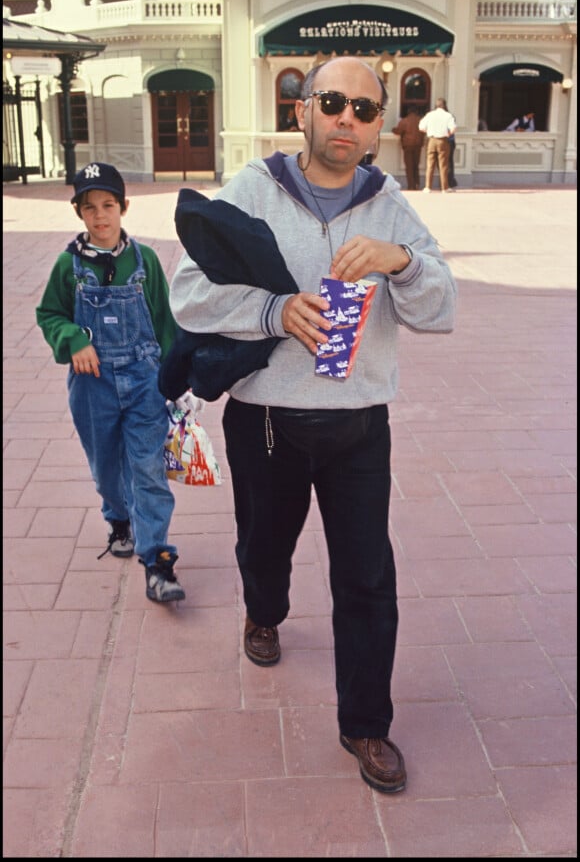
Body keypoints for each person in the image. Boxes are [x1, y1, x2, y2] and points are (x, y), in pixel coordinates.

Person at [169, 56, 457, 794]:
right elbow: (188, 294)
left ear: (380, 125)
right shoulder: (255, 190)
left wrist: (403, 263)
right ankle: (263, 613)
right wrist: (273, 311)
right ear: (303, 109)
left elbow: (440, 312)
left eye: (365, 110)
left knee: (366, 577)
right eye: (333, 102)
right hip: (267, 421)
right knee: (265, 546)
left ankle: (366, 722)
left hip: (358, 424)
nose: (347, 120)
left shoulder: (389, 202)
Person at [36, 162, 186, 604]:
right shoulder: (69, 266)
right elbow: (50, 314)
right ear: (79, 213)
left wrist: (179, 381)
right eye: (90, 207)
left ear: (123, 207)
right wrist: (72, 340)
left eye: (108, 205)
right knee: (106, 469)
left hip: (144, 380)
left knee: (147, 468)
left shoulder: (146, 261)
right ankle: (118, 516)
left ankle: (158, 561)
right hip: (92, 383)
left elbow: (165, 321)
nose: (100, 216)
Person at [418, 98, 456, 192]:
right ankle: (444, 187)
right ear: (445, 105)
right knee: (443, 165)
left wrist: (428, 131)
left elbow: (421, 127)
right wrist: (448, 134)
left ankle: (428, 187)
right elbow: (453, 128)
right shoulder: (448, 115)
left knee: (430, 164)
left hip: (431, 139)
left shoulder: (430, 115)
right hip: (443, 140)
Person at [391, 104, 425, 190]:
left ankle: (411, 186)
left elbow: (398, 131)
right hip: (418, 145)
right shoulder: (420, 120)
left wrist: (393, 129)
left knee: (409, 166)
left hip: (408, 145)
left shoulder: (404, 121)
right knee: (416, 165)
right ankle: (417, 184)